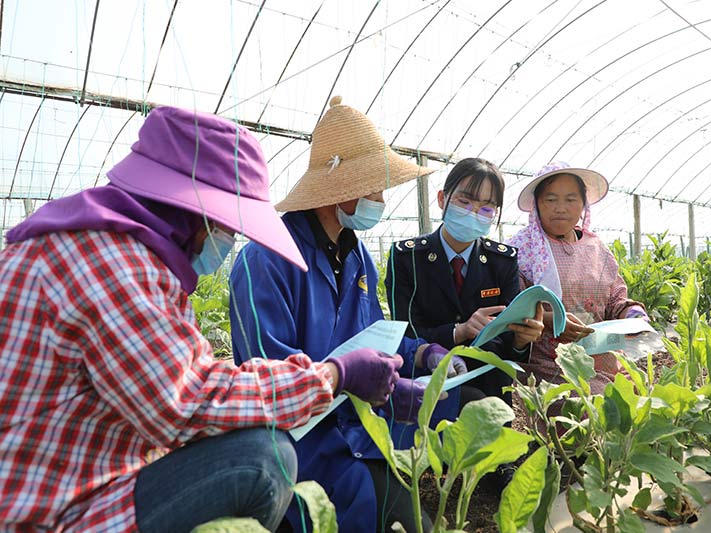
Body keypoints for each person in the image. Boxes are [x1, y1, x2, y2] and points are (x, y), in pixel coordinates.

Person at [0, 106, 403, 533]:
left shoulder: (106, 247)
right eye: (225, 224)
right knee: (263, 461)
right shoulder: (112, 263)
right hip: (44, 510)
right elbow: (191, 400)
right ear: (191, 212)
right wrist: (334, 376)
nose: (228, 239)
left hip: (79, 470)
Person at [229, 96, 442, 533]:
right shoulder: (264, 260)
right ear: (341, 188)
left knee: (409, 512)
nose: (381, 200)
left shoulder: (358, 257)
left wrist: (419, 358)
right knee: (355, 507)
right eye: (375, 187)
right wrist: (347, 379)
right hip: (300, 444)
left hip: (358, 430)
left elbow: (374, 335)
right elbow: (267, 378)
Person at [384, 157, 545, 409]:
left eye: (486, 208)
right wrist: (459, 331)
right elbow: (403, 334)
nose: (473, 213)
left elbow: (509, 343)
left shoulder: (502, 261)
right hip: (431, 390)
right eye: (464, 201)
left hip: (490, 394)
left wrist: (523, 339)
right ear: (442, 199)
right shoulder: (408, 258)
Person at [508, 161, 648, 393]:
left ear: (583, 205)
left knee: (641, 399)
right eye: (550, 200)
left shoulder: (596, 247)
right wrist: (553, 321)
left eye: (571, 200)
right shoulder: (521, 249)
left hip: (605, 357)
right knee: (590, 408)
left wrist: (631, 313)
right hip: (552, 367)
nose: (560, 208)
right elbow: (514, 312)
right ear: (537, 204)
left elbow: (615, 298)